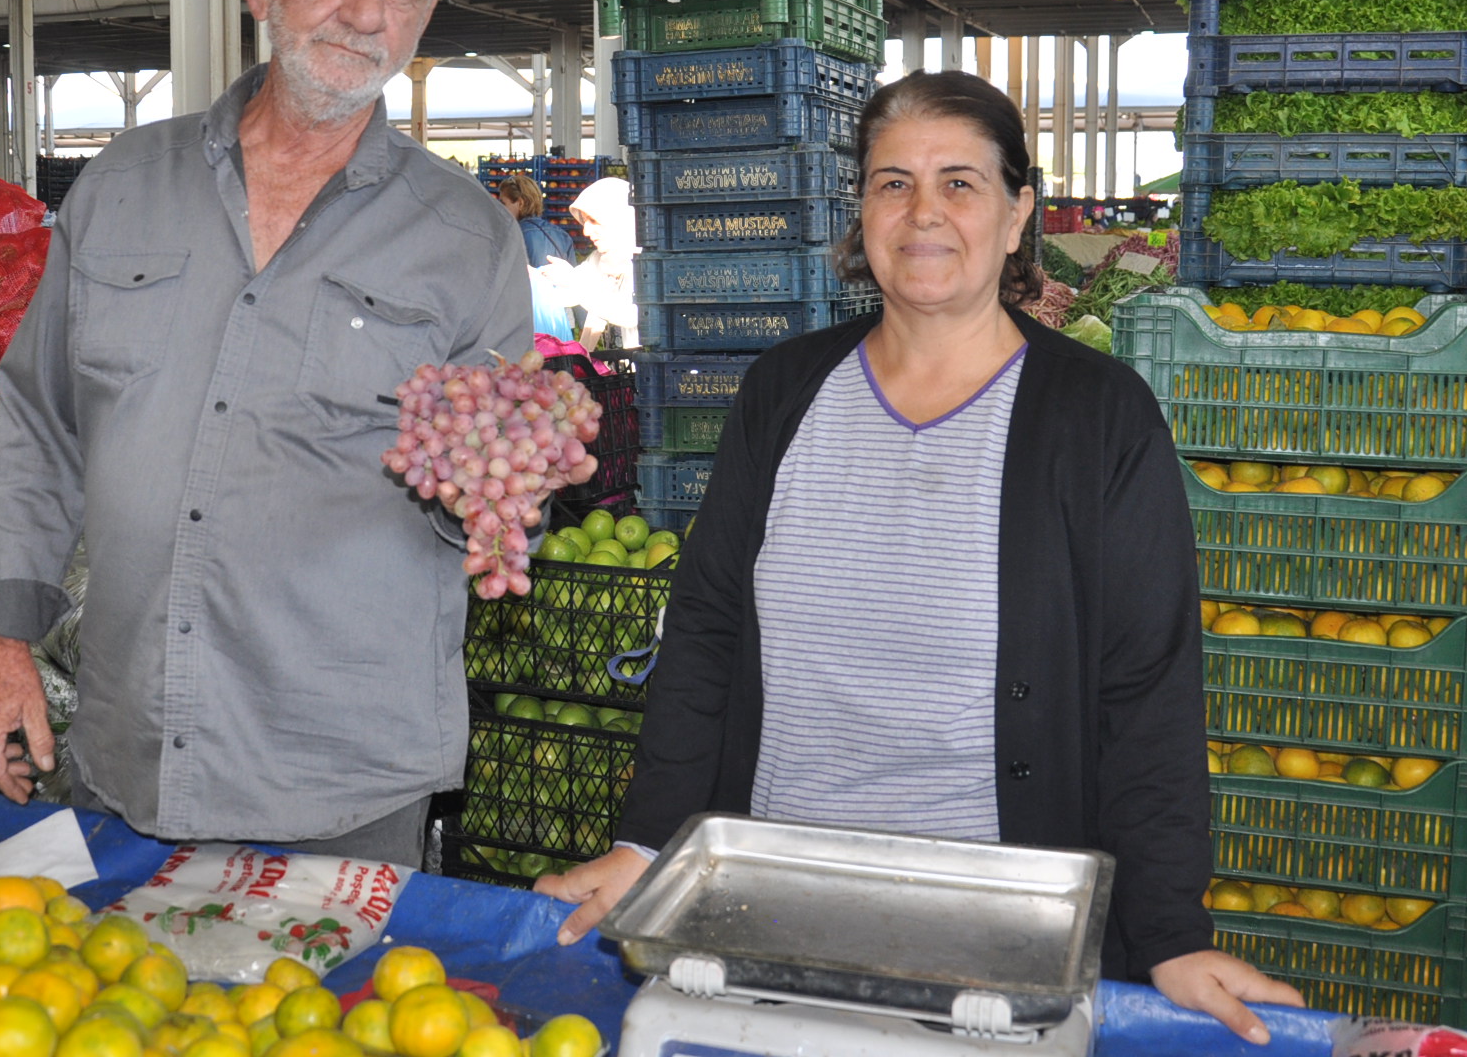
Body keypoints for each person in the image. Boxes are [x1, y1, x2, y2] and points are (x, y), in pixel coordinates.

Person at [536, 71, 1303, 1044]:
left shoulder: (1096, 416)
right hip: (766, 914)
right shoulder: (783, 392)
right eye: (891, 182)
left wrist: (1166, 933)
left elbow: (1145, 688)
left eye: (959, 182)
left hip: (996, 944)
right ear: (860, 210)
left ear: (1017, 210)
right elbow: (705, 629)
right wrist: (645, 839)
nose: (922, 212)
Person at [0, 0, 532, 867]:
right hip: (128, 748)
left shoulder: (466, 236)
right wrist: (5, 637)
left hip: (339, 777)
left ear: (424, 13)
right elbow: (41, 422)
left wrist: (491, 496)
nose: (364, 14)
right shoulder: (124, 184)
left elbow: (488, 483)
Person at [535, 174, 635, 351]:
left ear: (620, 221)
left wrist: (572, 281)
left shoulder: (647, 262)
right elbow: (572, 294)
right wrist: (536, 279)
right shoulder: (600, 259)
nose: (586, 231)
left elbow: (630, 315)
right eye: (584, 221)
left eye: (594, 221)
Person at [496, 173, 576, 339]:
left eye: (504, 203)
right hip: (561, 323)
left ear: (520, 203)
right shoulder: (562, 235)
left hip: (527, 327)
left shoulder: (513, 237)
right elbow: (575, 282)